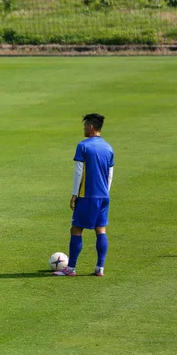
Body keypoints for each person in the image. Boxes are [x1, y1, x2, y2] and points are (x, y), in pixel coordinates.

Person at [54, 113, 114, 277]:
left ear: (90, 127)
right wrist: (104, 193)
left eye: (84, 126)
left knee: (76, 229)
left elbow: (78, 171)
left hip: (87, 196)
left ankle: (71, 268)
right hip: (104, 196)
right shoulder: (108, 148)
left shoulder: (83, 146)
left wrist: (75, 194)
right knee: (101, 229)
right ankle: (99, 268)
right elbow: (110, 174)